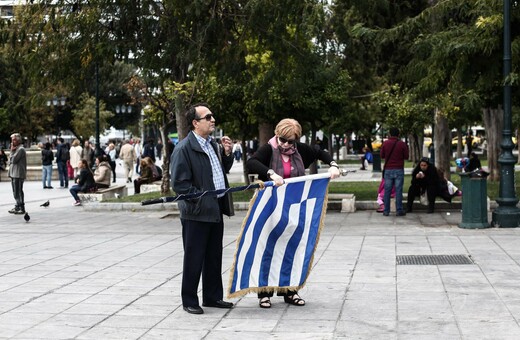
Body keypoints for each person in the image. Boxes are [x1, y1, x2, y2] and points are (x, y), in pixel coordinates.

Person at [246, 118, 341, 309]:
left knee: (291, 247)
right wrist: (271, 173)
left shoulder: (299, 150)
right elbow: (252, 162)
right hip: (271, 206)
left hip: (293, 206)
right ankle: (264, 293)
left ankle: (289, 291)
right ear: (277, 135)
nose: (287, 144)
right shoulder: (269, 148)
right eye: (283, 139)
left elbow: (319, 152)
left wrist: (333, 164)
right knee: (268, 248)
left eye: (291, 141)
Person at [170, 103, 234, 315]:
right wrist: (201, 199)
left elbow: (219, 171)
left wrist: (226, 154)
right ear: (195, 123)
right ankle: (189, 299)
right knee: (194, 257)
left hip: (214, 209)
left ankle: (213, 297)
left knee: (214, 256)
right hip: (197, 212)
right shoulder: (183, 148)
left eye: (212, 116)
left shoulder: (212, 145)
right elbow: (180, 184)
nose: (213, 119)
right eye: (208, 117)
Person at [381, 127, 409, 217]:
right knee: (398, 190)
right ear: (398, 134)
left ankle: (386, 211)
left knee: (387, 191)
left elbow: (382, 155)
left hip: (388, 169)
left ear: (389, 134)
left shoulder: (385, 143)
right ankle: (399, 210)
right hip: (399, 169)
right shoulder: (402, 144)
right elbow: (406, 156)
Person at [8, 133, 27, 214]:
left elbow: (13, 160)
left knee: (18, 190)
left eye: (14, 140)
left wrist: (12, 151)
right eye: (12, 140)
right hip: (13, 173)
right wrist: (12, 152)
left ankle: (21, 207)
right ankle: (17, 205)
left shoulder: (21, 149)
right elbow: (9, 161)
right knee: (15, 191)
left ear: (18, 140)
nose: (12, 142)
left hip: (18, 173)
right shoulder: (16, 149)